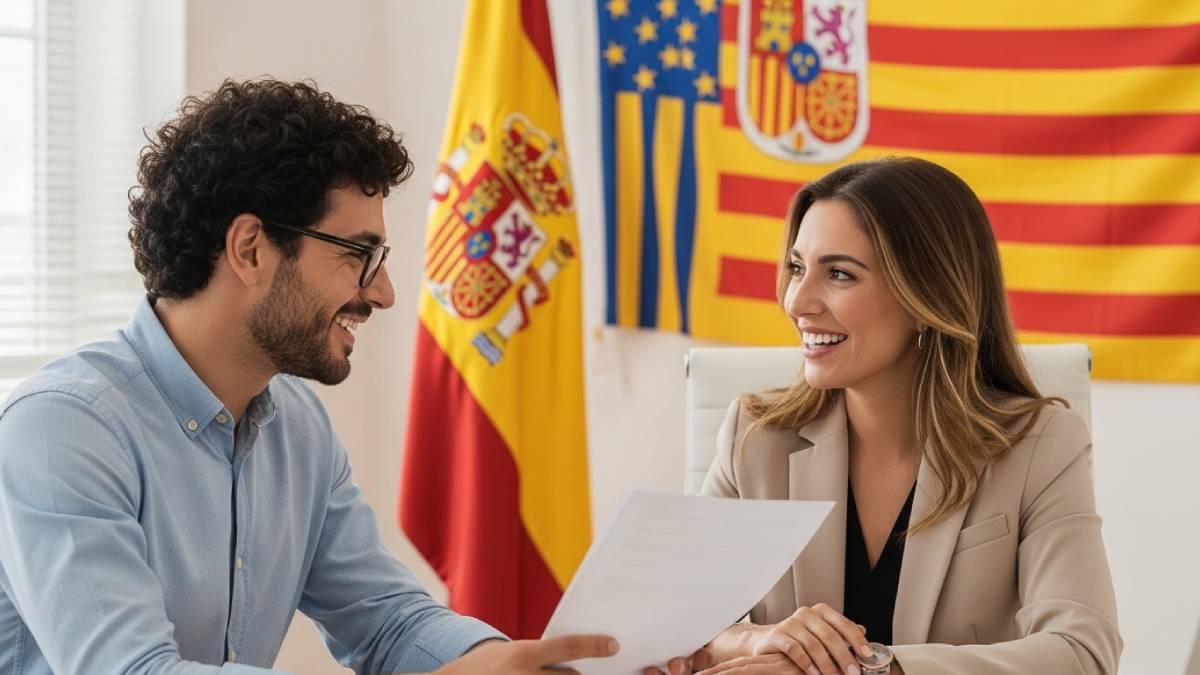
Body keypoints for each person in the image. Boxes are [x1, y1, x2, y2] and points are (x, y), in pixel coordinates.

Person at [0, 79, 618, 674]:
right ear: (249, 249)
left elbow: (388, 624)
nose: (384, 293)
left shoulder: (296, 424)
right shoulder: (60, 429)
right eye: (358, 254)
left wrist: (539, 665)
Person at [658, 158, 1122, 675]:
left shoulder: (1041, 444)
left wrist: (865, 668)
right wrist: (759, 642)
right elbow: (676, 630)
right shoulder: (755, 438)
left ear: (927, 296)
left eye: (838, 273)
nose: (798, 301)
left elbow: (1083, 653)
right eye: (796, 267)